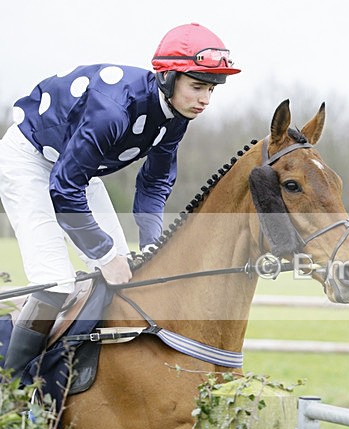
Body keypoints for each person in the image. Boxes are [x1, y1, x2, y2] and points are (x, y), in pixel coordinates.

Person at [0, 22, 240, 380]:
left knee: (125, 273)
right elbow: (64, 189)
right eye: (197, 86)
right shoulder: (113, 109)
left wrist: (153, 243)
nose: (205, 99)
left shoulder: (176, 117)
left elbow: (155, 183)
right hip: (29, 159)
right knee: (56, 283)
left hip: (77, 170)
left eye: (210, 89)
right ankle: (11, 391)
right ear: (167, 77)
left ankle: (76, 376)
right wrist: (102, 254)